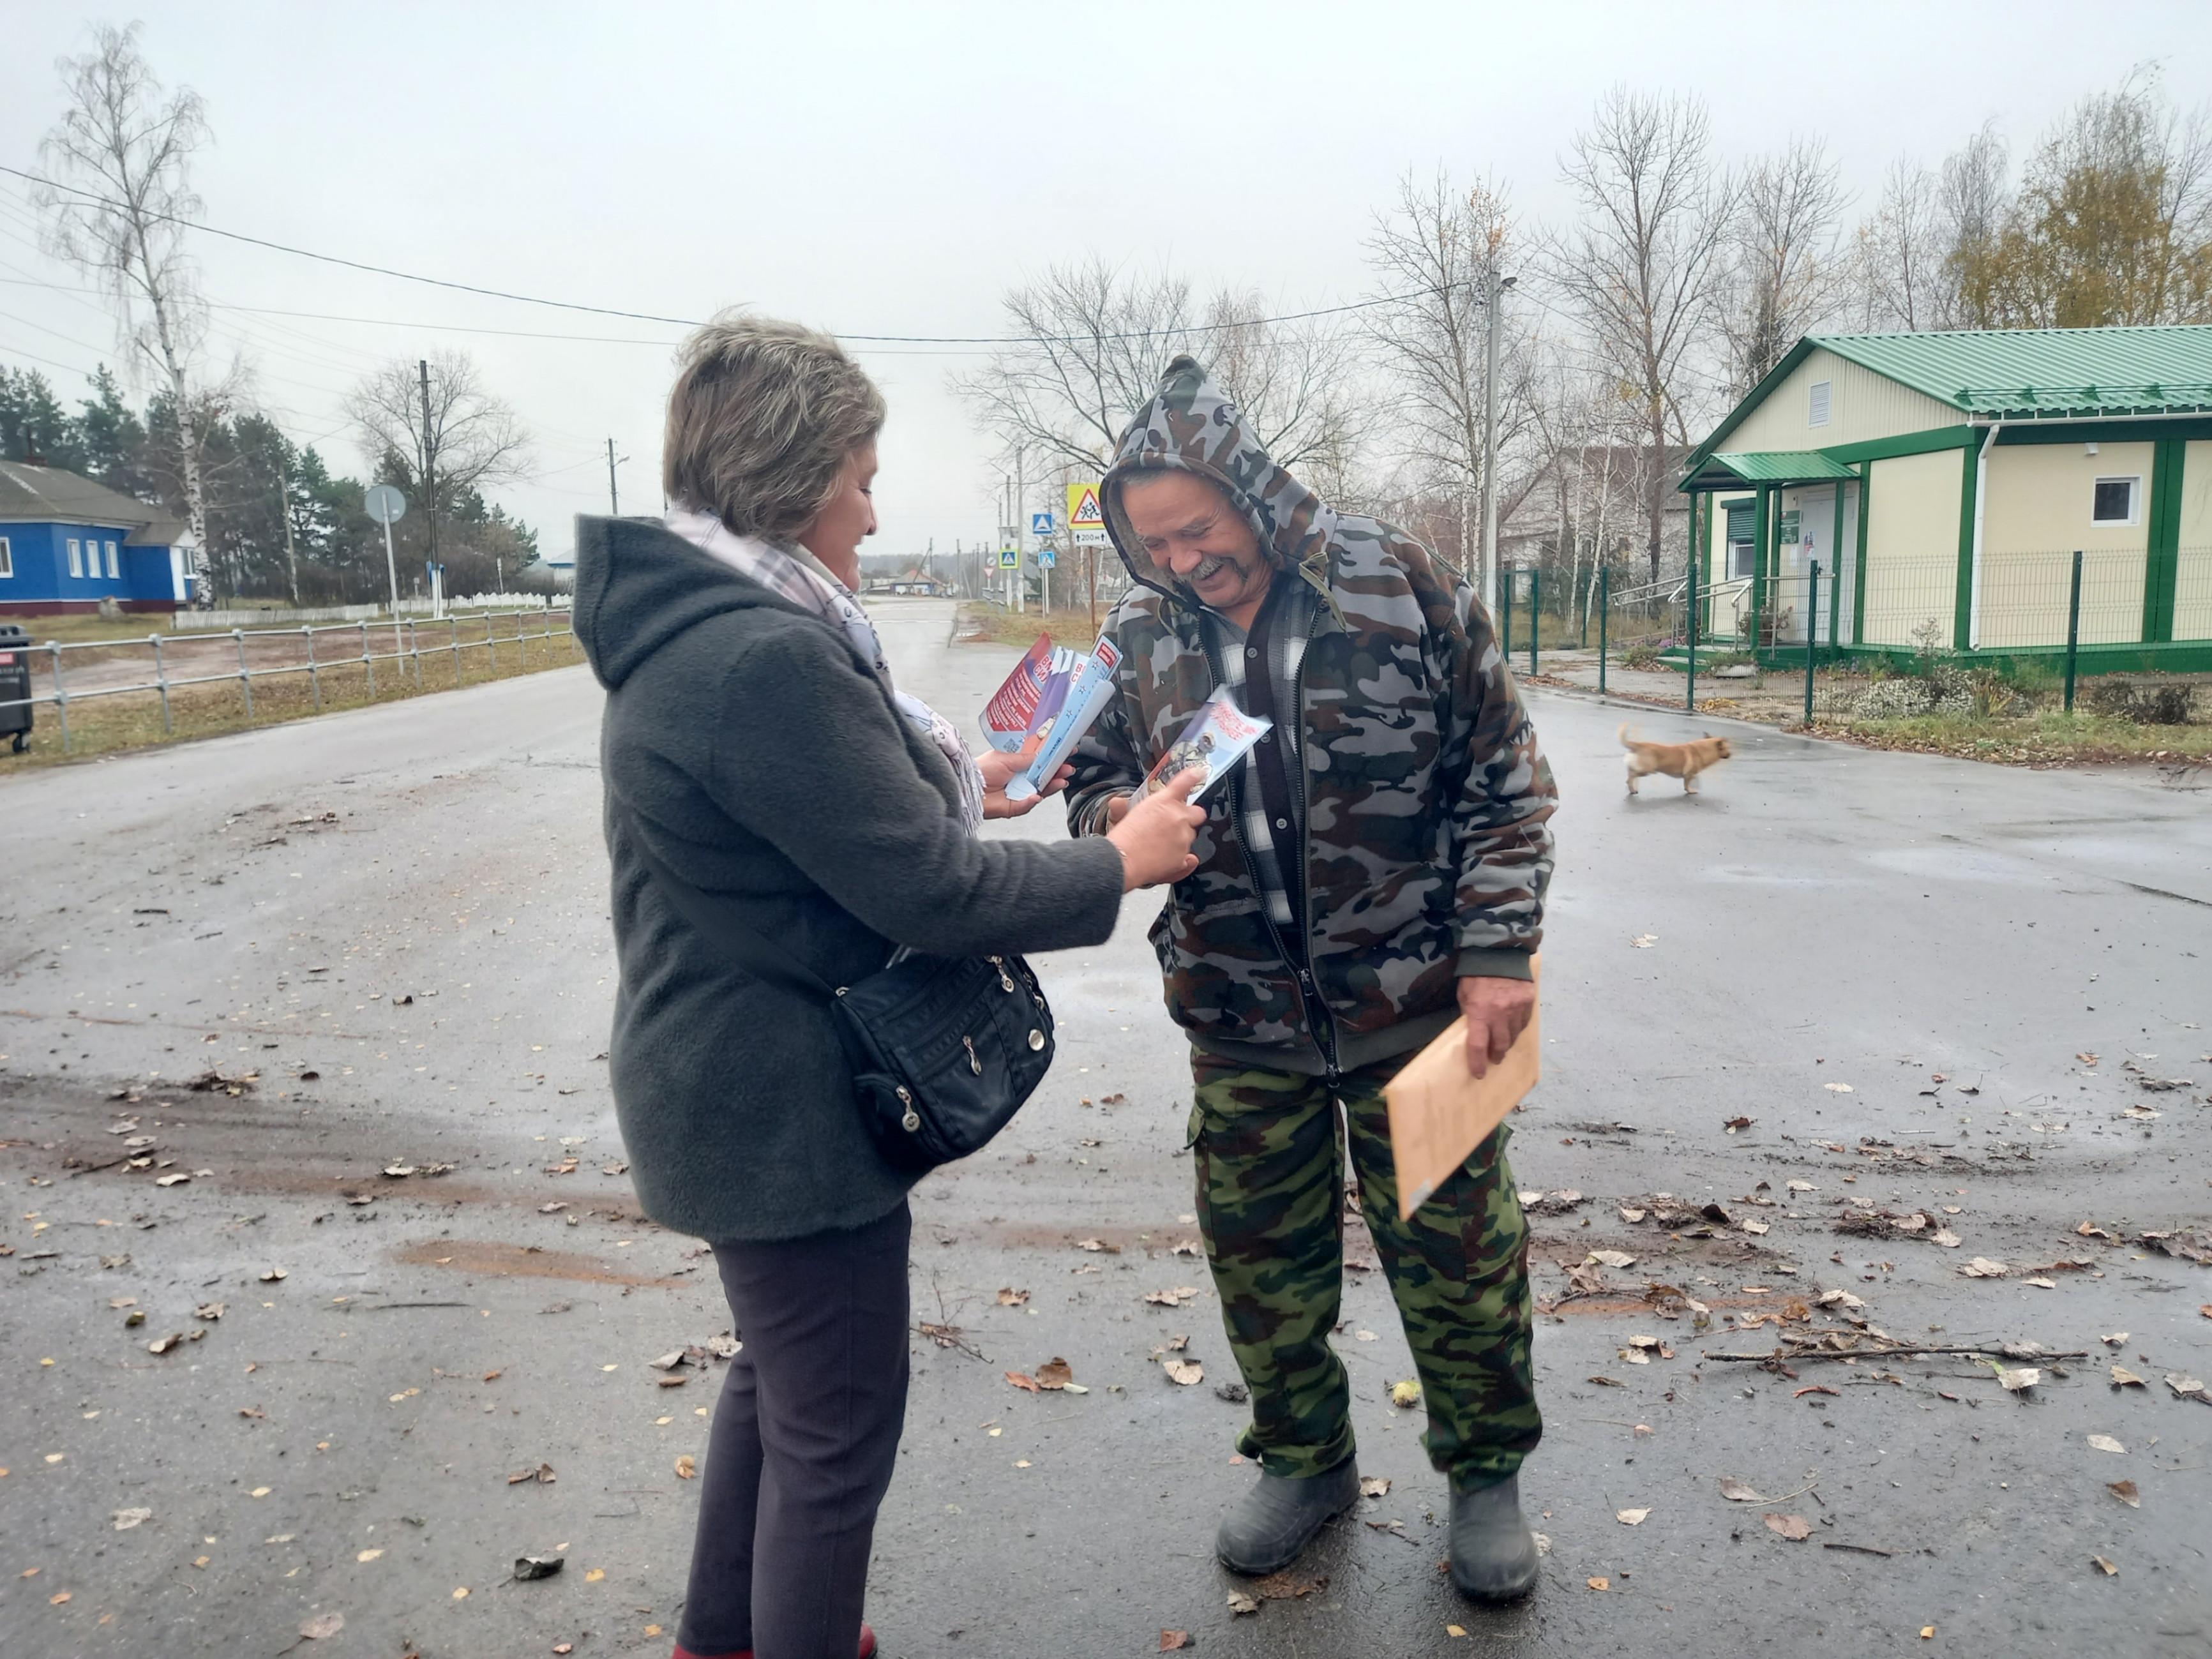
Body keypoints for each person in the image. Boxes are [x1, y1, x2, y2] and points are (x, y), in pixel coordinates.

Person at [572, 315, 1204, 1659]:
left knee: (783, 1390)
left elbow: (815, 822)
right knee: (835, 1424)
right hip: (778, 1110)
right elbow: (929, 894)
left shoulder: (717, 622)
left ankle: (719, 1640)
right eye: (860, 474)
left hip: (725, 1085)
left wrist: (948, 782)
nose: (873, 502)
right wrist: (1120, 860)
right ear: (795, 478)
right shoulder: (765, 657)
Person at [1065, 356, 1558, 1602]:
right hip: (1237, 1019)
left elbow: (1502, 780)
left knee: (1458, 1254)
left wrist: (1498, 951)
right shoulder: (1134, 638)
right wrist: (1123, 814)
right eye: (1153, 541)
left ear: (1255, 496)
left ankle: (1485, 1472)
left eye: (1198, 528)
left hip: (1415, 1009)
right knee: (1260, 1259)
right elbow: (1084, 794)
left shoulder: (1394, 584)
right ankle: (1303, 1458)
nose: (1181, 559)